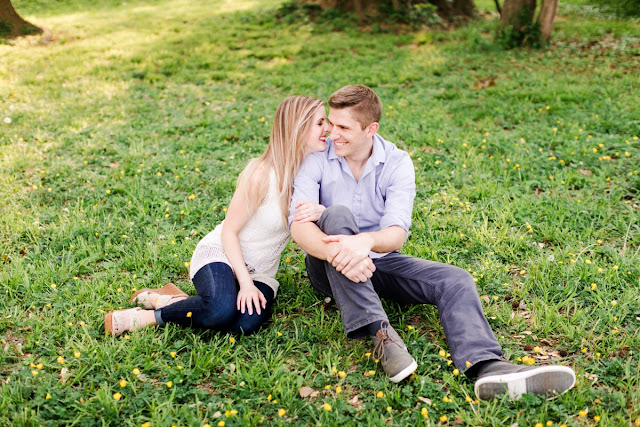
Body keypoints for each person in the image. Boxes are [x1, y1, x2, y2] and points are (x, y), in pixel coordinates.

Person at [289, 85, 576, 400]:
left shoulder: (397, 163)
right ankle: (381, 335)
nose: (332, 133)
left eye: (343, 127)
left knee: (455, 280)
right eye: (331, 123)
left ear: (371, 129)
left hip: (381, 262)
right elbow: (300, 228)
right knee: (337, 214)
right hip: (327, 267)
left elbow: (396, 234)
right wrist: (341, 250)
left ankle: (488, 367)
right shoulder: (317, 158)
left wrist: (364, 242)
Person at [105, 95, 330, 336]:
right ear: (298, 128)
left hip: (261, 273)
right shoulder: (262, 173)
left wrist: (323, 211)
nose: (327, 128)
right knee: (220, 310)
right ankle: (146, 317)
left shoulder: (316, 175)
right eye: (320, 123)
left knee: (243, 326)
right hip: (222, 254)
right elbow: (229, 232)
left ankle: (175, 301)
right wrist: (244, 283)